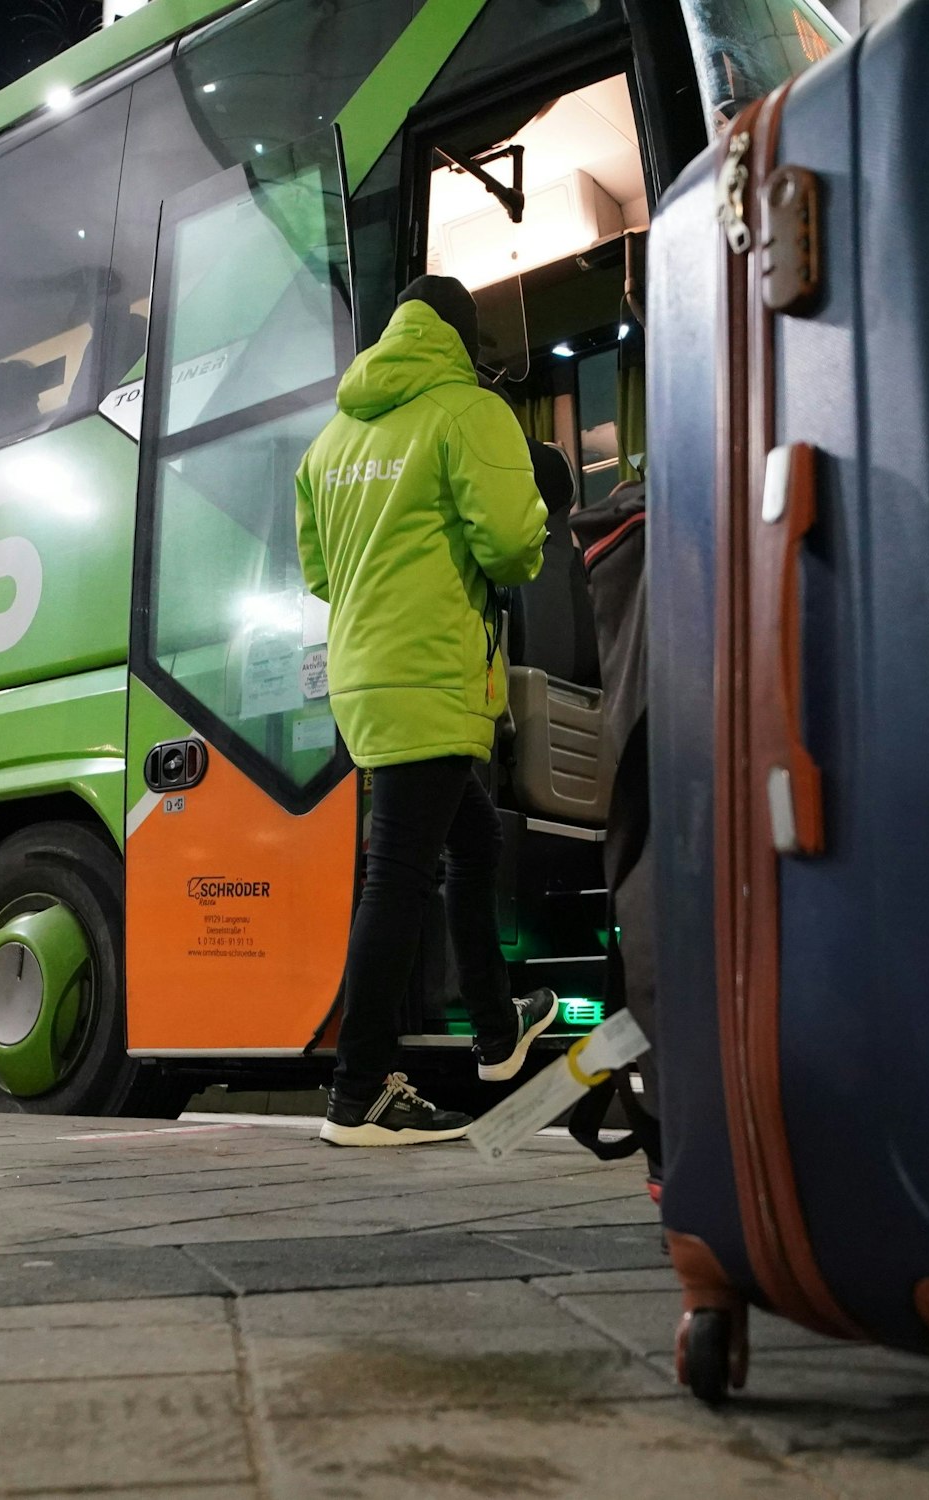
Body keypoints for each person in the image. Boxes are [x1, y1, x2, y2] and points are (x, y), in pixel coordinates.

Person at [295, 274, 558, 1146]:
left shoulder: (331, 440)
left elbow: (322, 574)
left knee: (470, 839)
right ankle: (359, 1091)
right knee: (399, 872)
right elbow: (516, 546)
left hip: (362, 679)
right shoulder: (466, 411)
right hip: (433, 670)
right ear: (463, 336)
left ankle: (494, 1030)